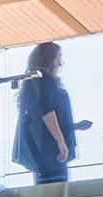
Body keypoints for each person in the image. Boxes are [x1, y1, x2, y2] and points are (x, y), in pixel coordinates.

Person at [14, 42, 77, 185]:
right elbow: (47, 112)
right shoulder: (44, 80)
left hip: (42, 151)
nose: (60, 63)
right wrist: (61, 142)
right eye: (58, 57)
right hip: (50, 150)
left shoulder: (32, 83)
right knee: (57, 192)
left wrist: (74, 127)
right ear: (49, 59)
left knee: (46, 190)